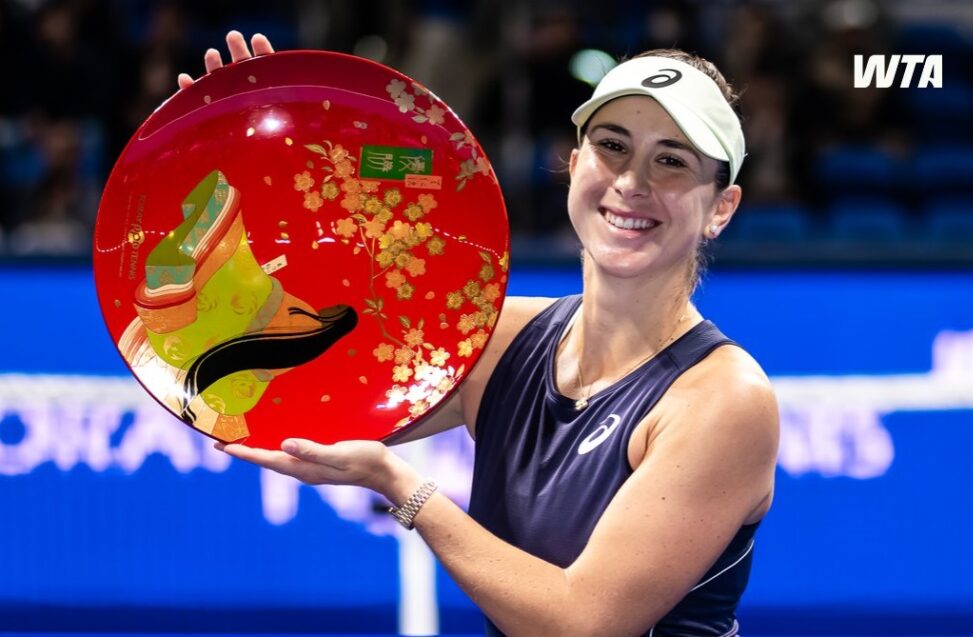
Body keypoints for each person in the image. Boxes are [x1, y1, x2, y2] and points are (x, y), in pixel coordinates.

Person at [191, 31, 779, 637]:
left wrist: (402, 486)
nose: (632, 181)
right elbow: (289, 397)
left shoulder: (723, 400)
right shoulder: (504, 337)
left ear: (722, 208)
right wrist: (241, 151)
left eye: (672, 160)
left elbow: (583, 624)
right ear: (575, 164)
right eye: (612, 146)